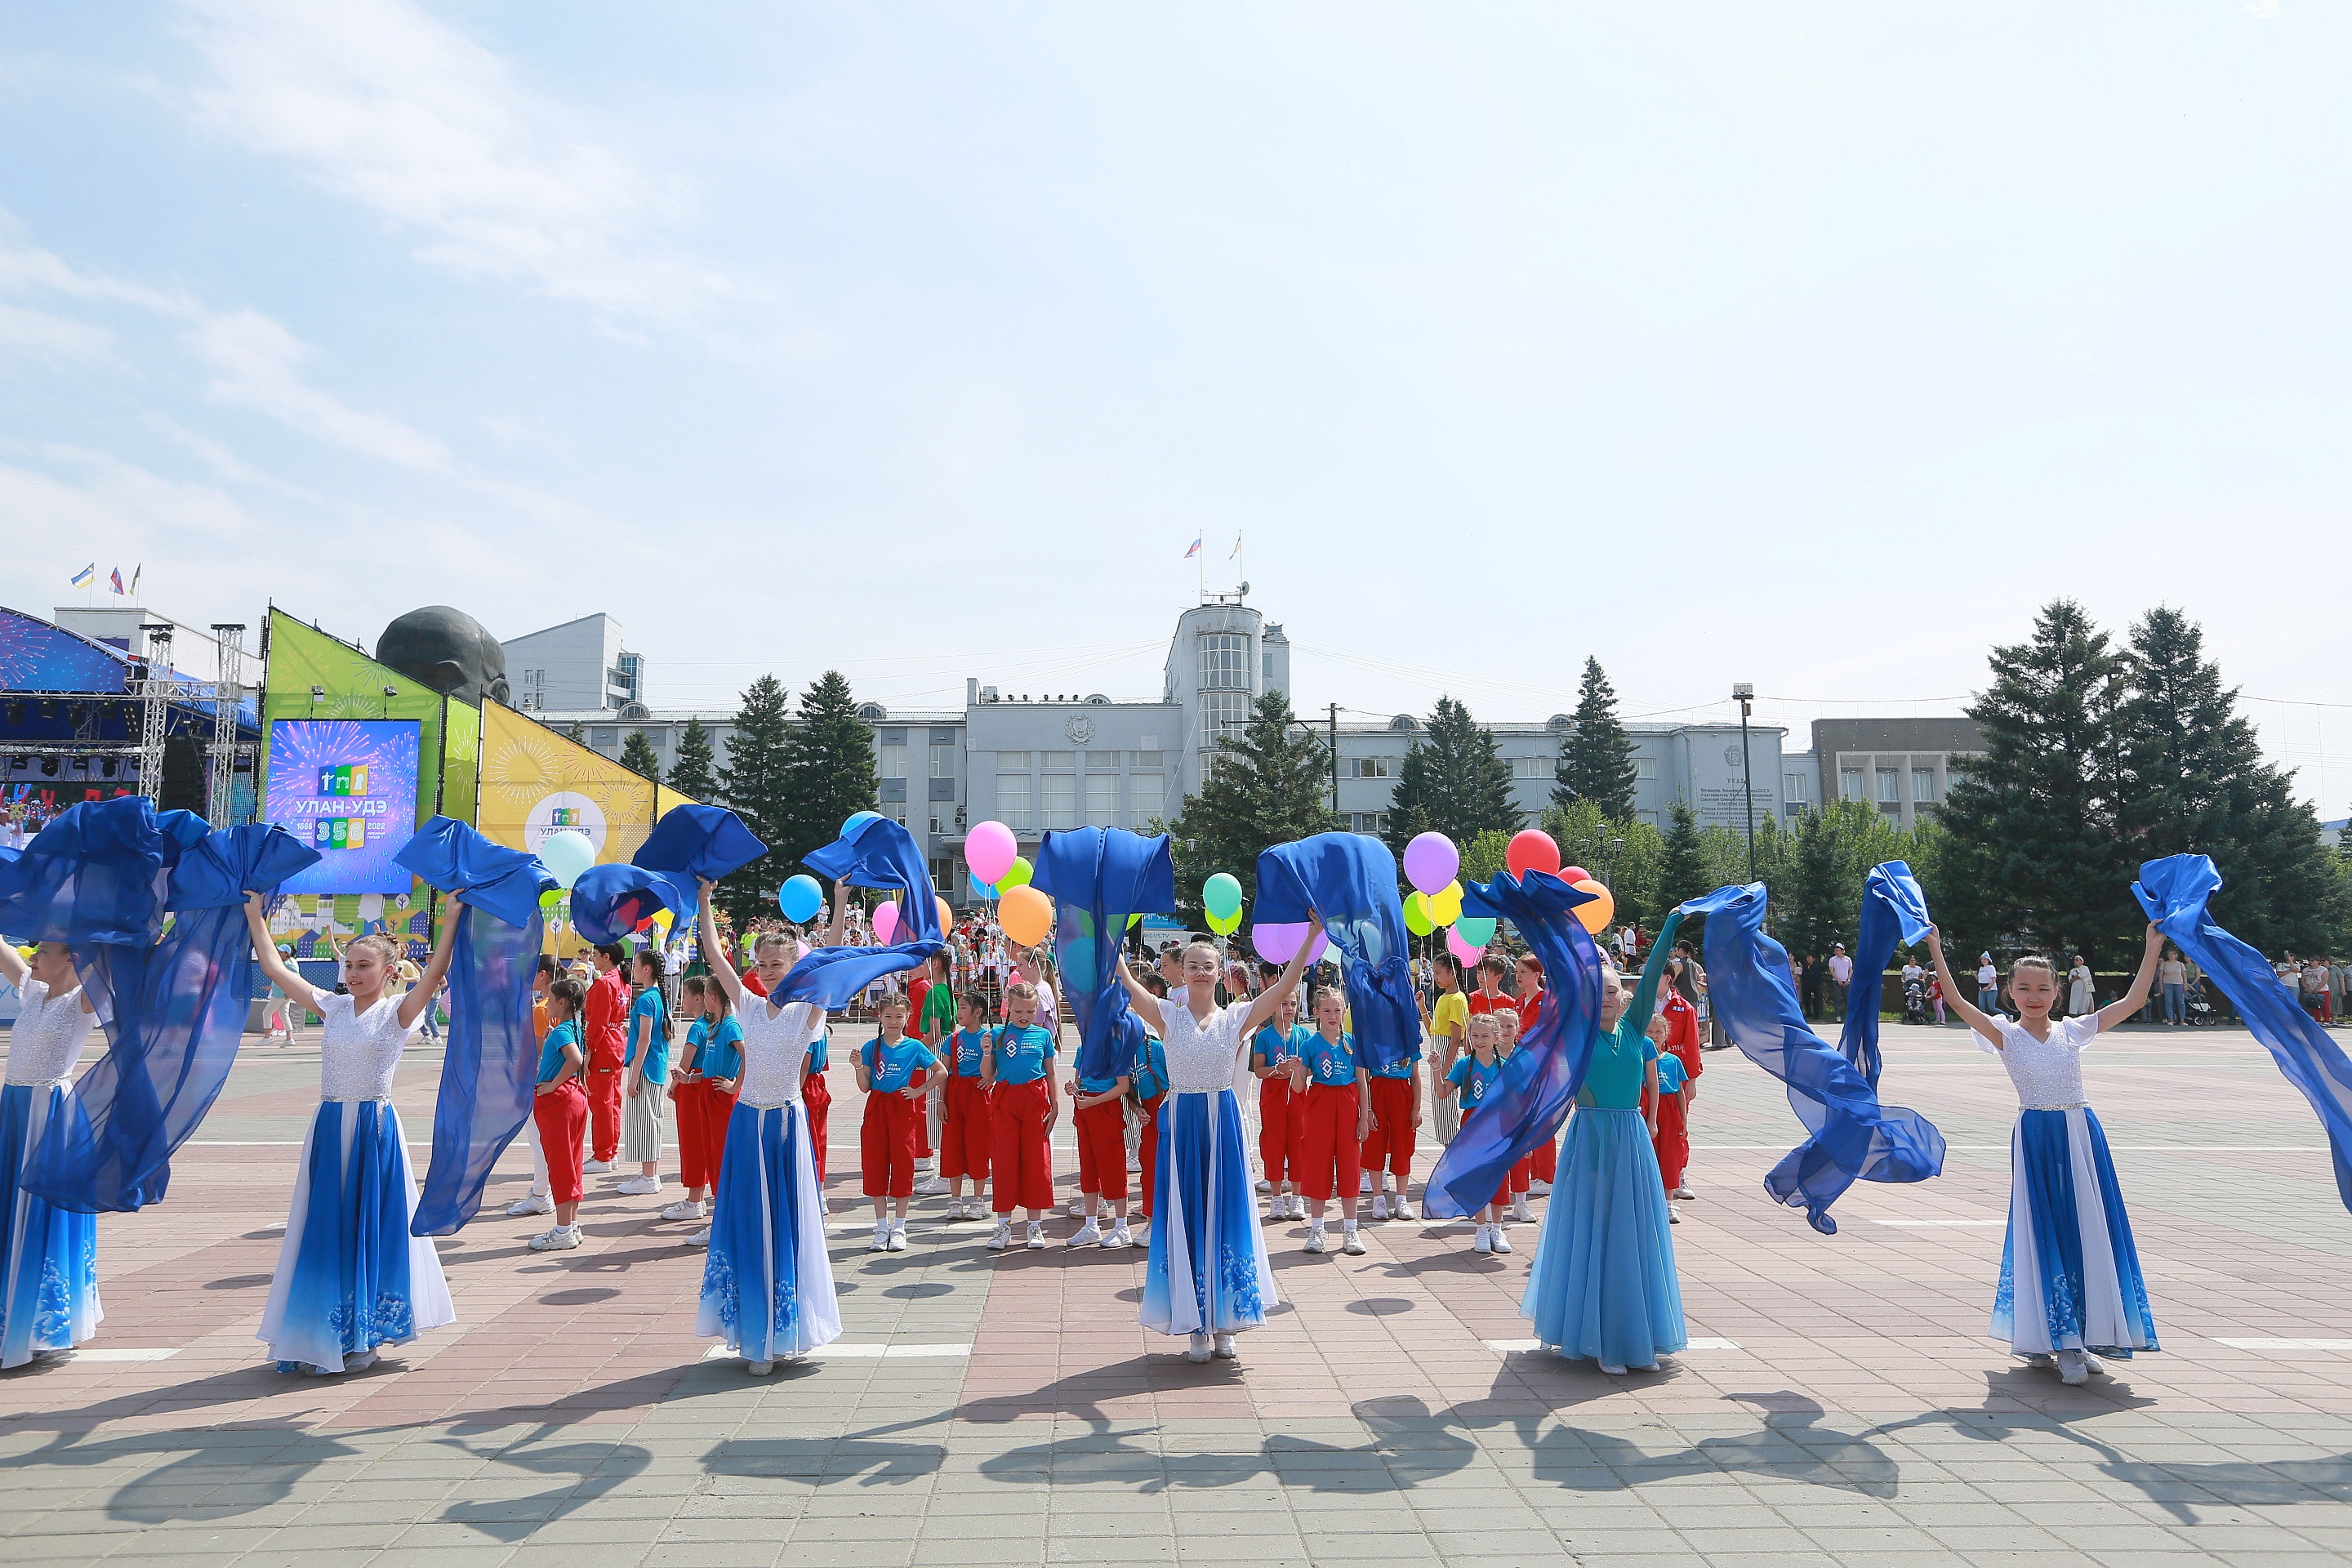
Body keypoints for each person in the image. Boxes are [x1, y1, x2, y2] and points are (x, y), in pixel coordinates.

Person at [1924, 922, 2164, 1385]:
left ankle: (2084, 1335)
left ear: (2057, 991)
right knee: (2042, 1231)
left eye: (2042, 987)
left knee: (2088, 1228)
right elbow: (1955, 1001)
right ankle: (2058, 1340)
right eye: (2023, 988)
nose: (2033, 995)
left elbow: (2134, 1002)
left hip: (2080, 1132)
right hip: (2035, 1134)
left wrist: (2152, 946)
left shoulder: (2074, 1031)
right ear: (2009, 992)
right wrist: (1936, 945)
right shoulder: (2003, 1034)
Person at [242, 892, 461, 1375]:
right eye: (349, 966)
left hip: (372, 1130)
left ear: (388, 971)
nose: (353, 973)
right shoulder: (333, 1007)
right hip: (328, 1127)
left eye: (364, 966)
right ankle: (321, 1331)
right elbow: (276, 969)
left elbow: (435, 970)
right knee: (324, 1229)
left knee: (370, 1227)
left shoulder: (400, 1012)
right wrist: (255, 916)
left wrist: (449, 919)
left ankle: (365, 1335)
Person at [1112, 918, 1319, 1363]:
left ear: (1221, 971)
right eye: (1193, 965)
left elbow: (1284, 988)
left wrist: (1306, 939)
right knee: (1188, 1217)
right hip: (1183, 1121)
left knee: (1225, 1214)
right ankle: (1195, 1328)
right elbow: (1128, 985)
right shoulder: (1167, 1014)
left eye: (1209, 965)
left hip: (1222, 1123)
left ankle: (1226, 1323)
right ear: (1181, 972)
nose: (1201, 972)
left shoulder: (1235, 1018)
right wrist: (1110, 937)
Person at [693, 880, 841, 1374]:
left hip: (785, 1126)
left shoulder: (807, 1011)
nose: (769, 972)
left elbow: (833, 959)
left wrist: (839, 903)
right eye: (762, 964)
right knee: (748, 1222)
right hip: (746, 1123)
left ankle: (788, 1330)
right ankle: (755, 1333)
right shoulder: (747, 1004)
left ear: (795, 964)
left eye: (779, 964)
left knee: (788, 1223)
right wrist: (705, 899)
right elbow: (714, 956)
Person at [1521, 938, 1683, 1377]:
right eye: (1599, 990)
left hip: (1631, 1139)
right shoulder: (1577, 1032)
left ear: (1624, 997)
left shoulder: (1634, 1030)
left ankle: (1636, 1338)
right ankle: (1601, 1341)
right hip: (1591, 1139)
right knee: (1596, 1232)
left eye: (1613, 991)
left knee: (1634, 1235)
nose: (1607, 998)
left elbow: (1651, 977)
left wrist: (1671, 924)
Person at [0, 939, 103, 1365]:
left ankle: (43, 1320)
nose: (33, 957)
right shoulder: (33, 991)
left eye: (43, 951)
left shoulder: (85, 1002)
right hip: (14, 1110)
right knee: (10, 1208)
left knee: (41, 1211)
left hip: (50, 1112)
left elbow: (113, 958)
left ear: (71, 958)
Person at [1288, 986, 1373, 1256]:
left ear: (1344, 1012)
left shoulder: (1352, 1042)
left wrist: (1364, 1115)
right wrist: (1295, 1069)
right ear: (1316, 1013)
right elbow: (1299, 1088)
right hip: (1320, 1106)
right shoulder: (1309, 1044)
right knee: (1317, 1165)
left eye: (1337, 1010)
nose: (1333, 1015)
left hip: (1348, 1105)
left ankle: (1350, 1229)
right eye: (1327, 1011)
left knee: (1349, 1166)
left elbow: (1361, 1081)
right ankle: (1317, 1229)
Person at [982, 981, 1060, 1251]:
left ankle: (1034, 1225)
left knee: (1037, 1161)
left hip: (1035, 1099)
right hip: (1004, 1099)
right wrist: (987, 1053)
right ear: (1008, 1009)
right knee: (1004, 1161)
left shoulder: (1043, 1035)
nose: (1024, 1017)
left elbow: (1050, 1073)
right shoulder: (998, 1035)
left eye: (1029, 1011)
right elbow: (987, 1074)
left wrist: (1056, 1104)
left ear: (1037, 1009)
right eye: (1018, 1012)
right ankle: (1003, 1225)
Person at [855, 993, 929, 1253]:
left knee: (903, 1163)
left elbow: (940, 1070)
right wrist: (857, 1067)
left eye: (899, 1016)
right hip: (877, 1107)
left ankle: (899, 1226)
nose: (894, 1021)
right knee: (875, 1164)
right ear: (880, 1016)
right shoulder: (871, 1048)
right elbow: (865, 1086)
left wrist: (919, 1091)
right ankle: (881, 1226)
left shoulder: (914, 1046)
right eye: (888, 1016)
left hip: (901, 1108)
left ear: (907, 1017)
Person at [525, 976, 591, 1251]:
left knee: (561, 1164)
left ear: (562, 1002)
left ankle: (563, 1228)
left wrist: (553, 1083)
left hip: (559, 1102)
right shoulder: (575, 1026)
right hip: (574, 1098)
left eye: (551, 999)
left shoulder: (565, 1029)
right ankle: (571, 1224)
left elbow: (575, 1060)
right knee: (572, 1163)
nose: (547, 1003)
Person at [1445, 1013, 1509, 1256]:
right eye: (1475, 1035)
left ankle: (1497, 1228)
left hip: (1497, 1125)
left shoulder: (1504, 1065)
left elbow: (1513, 1103)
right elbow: (1443, 1093)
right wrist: (1435, 1069)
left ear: (1496, 1037)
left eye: (1485, 1035)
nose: (1479, 1040)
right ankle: (1480, 1228)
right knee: (1476, 1176)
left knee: (1499, 1177)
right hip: (1472, 1124)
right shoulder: (1464, 1065)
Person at [1065, 1030, 1135, 1249]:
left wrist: (1093, 1103)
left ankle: (1122, 1226)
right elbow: (1079, 1083)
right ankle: (1091, 1225)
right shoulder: (1082, 1049)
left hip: (1105, 1110)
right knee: (1088, 1168)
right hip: (1085, 1110)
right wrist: (1073, 1090)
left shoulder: (1116, 1049)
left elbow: (1123, 1086)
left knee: (1113, 1167)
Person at [1360, 991, 1423, 1223]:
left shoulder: (1410, 1042)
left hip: (1401, 1095)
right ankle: (1378, 1198)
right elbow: (1364, 1078)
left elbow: (1416, 1078)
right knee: (1375, 1145)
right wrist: (1367, 1109)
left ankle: (1401, 1198)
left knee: (1402, 1145)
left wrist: (1416, 1108)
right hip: (1378, 1093)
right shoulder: (1371, 1042)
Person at [508, 956, 560, 1218]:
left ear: (542, 975)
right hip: (549, 1079)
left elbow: (539, 1050)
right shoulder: (552, 1005)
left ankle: (541, 1193)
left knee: (538, 1139)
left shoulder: (542, 1008)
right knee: (542, 1138)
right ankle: (542, 1191)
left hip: (538, 1079)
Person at [616, 950, 671, 1199]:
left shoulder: (647, 999)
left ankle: (648, 1177)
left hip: (646, 1068)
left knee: (645, 1123)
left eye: (636, 965)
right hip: (654, 1066)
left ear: (646, 968)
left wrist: (635, 1075)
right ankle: (650, 1174)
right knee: (652, 1121)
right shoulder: (659, 997)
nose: (633, 969)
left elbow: (646, 1038)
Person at [1249, 993, 1308, 1222]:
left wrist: (1299, 1069)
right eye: (1284, 1003)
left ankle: (1297, 1197)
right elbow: (1258, 1069)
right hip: (1273, 1095)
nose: (1289, 1008)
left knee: (1299, 1143)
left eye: (1293, 1004)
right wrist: (1278, 1069)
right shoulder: (1264, 1036)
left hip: (1298, 1094)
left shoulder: (1303, 1035)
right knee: (1274, 1144)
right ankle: (1276, 1198)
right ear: (1274, 1006)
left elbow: (1310, 1067)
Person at [939, 991, 995, 1220]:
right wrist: (941, 1101)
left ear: (977, 1012)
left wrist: (991, 1078)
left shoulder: (989, 1038)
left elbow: (997, 1065)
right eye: (958, 1008)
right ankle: (955, 1200)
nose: (959, 1012)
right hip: (955, 1094)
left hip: (978, 1096)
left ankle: (978, 1200)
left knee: (978, 1147)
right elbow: (943, 1072)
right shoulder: (953, 1039)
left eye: (963, 1008)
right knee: (953, 1147)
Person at [581, 943, 631, 1174]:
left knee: (601, 1102)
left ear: (606, 957)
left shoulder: (604, 983)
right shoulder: (622, 980)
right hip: (617, 1040)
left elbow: (597, 1022)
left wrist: (589, 1049)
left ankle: (603, 1155)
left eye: (595, 955)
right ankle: (609, 1153)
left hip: (604, 1044)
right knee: (612, 1102)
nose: (593, 959)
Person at [1655, 978, 1703, 1201]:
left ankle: (1679, 1174)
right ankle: (1654, 1177)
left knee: (1677, 1128)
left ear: (1667, 979)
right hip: (1647, 1074)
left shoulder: (1684, 1007)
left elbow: (1692, 1043)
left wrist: (1692, 1078)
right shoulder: (1642, 1003)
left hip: (1674, 1076)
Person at [912, 952, 956, 1197]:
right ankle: (946, 1172)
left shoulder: (933, 992)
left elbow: (935, 1032)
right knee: (940, 1110)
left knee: (934, 1113)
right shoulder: (945, 990)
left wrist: (915, 1051)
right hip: (945, 1051)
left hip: (934, 1052)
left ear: (935, 963)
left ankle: (944, 1174)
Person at [1426, 951, 1469, 1147]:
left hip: (1446, 1056)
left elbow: (1455, 1039)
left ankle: (1453, 1156)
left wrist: (1444, 1071)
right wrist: (1422, 1008)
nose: (1436, 977)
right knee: (1440, 1111)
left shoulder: (1457, 999)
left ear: (1453, 973)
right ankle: (1448, 1155)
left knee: (1447, 1110)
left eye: (1439, 973)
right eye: (1434, 973)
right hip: (1437, 1052)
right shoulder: (1444, 997)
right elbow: (1433, 1032)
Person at [1827, 943, 1853, 1022]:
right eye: (1836, 950)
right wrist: (1838, 979)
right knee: (1837, 999)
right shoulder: (1832, 960)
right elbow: (1832, 970)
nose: (1836, 952)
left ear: (1842, 951)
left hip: (1846, 982)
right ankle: (1838, 1016)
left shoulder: (1848, 959)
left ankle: (1849, 1016)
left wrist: (1848, 980)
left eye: (1838, 950)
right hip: (1836, 982)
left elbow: (1851, 970)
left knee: (1847, 999)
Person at [1976, 952, 2000, 1016]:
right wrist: (1975, 976)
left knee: (1992, 1008)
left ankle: (2007, 1016)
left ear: (1988, 960)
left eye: (1985, 959)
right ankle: (1984, 1020)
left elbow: (1993, 980)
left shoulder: (1991, 968)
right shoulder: (1981, 969)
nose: (1983, 960)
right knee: (1981, 1006)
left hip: (1991, 990)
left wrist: (1988, 987)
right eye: (1982, 959)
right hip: (1982, 989)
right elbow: (1979, 979)